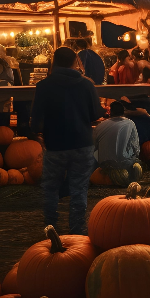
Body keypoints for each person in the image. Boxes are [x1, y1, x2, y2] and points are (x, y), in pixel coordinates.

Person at [31, 47, 102, 234]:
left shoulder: (44, 86)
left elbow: (36, 120)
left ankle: (51, 228)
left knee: (51, 187)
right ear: (75, 62)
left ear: (54, 62)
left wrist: (39, 134)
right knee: (79, 188)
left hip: (55, 145)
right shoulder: (87, 85)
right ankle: (77, 230)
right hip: (82, 143)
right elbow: (96, 114)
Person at [93, 101, 142, 184]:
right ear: (123, 112)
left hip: (105, 165)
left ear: (110, 112)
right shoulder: (130, 123)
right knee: (137, 164)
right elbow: (135, 146)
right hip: (125, 164)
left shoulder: (100, 126)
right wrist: (136, 157)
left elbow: (94, 146)